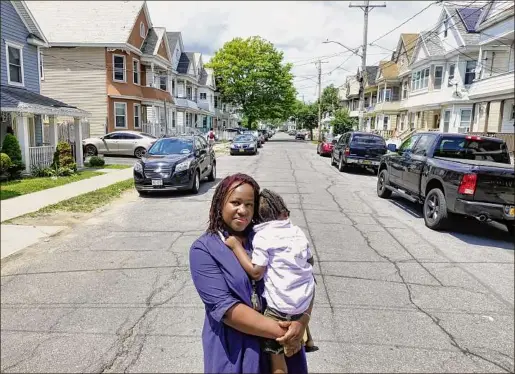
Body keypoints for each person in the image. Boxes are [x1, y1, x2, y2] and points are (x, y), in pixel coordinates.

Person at [189, 174, 309, 374]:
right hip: (236, 352)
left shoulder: (268, 237)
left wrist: (302, 321)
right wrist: (286, 332)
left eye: (249, 204)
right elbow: (225, 309)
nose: (242, 210)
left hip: (285, 346)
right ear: (220, 204)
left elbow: (305, 277)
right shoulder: (204, 249)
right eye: (235, 203)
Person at [224, 189, 315, 374]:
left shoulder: (263, 236)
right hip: (304, 302)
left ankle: (287, 350)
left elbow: (256, 272)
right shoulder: (297, 231)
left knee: (278, 363)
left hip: (278, 308)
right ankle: (305, 340)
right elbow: (310, 261)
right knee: (296, 302)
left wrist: (235, 246)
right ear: (284, 213)